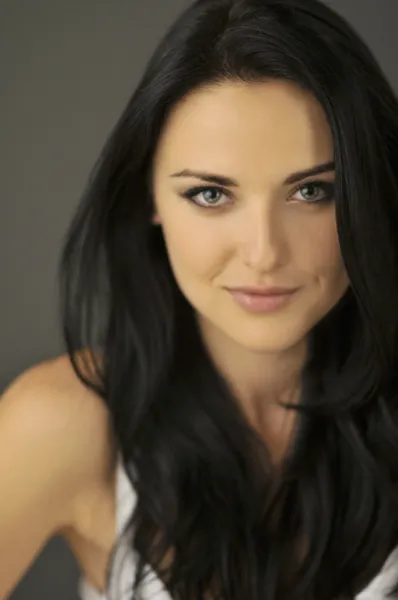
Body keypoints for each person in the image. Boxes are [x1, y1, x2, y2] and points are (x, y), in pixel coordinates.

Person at [2, 0, 398, 598]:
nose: (264, 252)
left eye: (313, 190)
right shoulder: (69, 424)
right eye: (212, 194)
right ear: (149, 199)